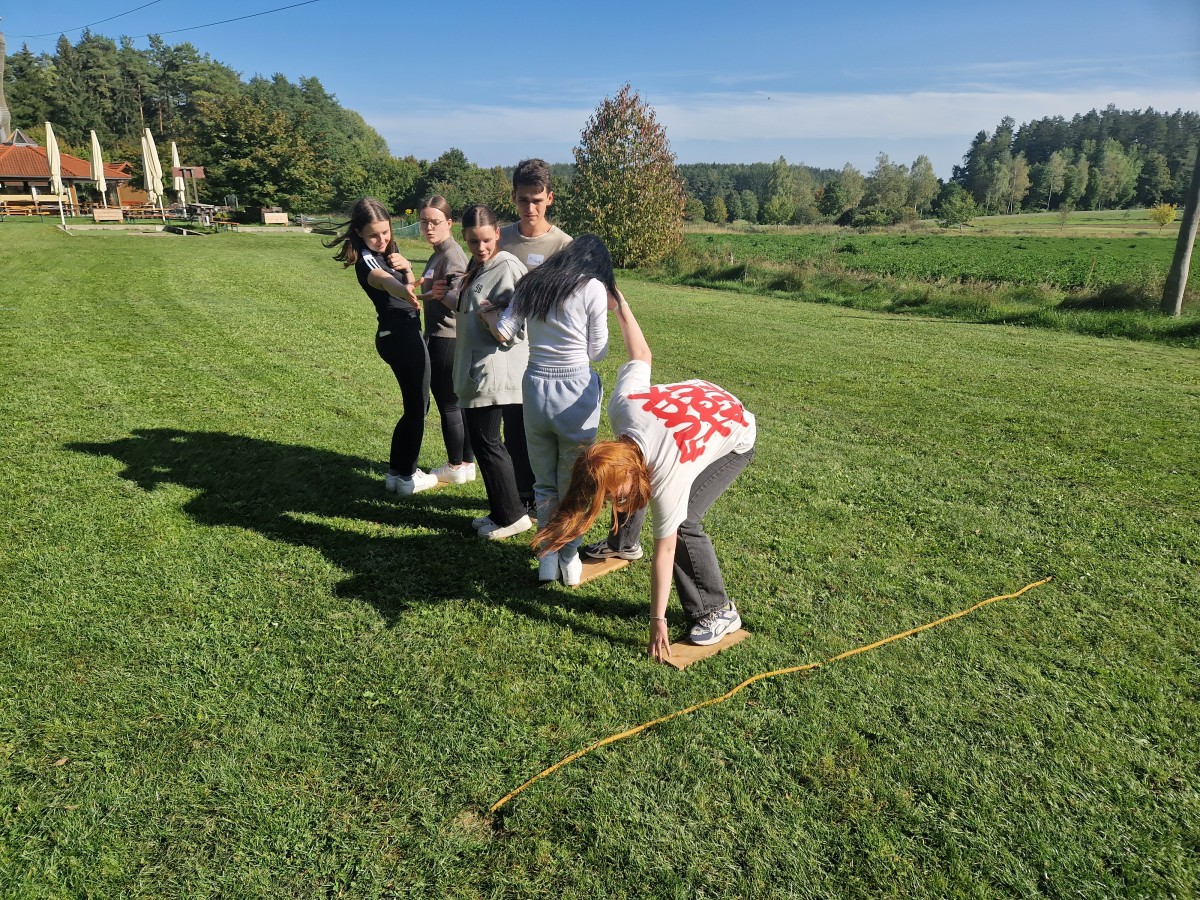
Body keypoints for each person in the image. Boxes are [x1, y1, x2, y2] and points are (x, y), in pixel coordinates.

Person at [536, 296, 757, 659]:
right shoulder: (623, 408)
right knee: (633, 480)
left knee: (685, 522)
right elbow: (642, 354)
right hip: (699, 400)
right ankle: (623, 544)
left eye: (611, 497)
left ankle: (717, 610)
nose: (611, 502)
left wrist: (657, 619)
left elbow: (665, 550)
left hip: (735, 432)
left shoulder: (668, 472)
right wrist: (620, 305)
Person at [490, 235, 613, 585]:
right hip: (575, 391)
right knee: (574, 483)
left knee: (544, 483)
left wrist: (486, 310)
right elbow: (598, 351)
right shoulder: (591, 287)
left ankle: (547, 556)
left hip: (534, 387)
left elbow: (504, 330)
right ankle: (570, 557)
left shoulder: (533, 281)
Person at [326, 198, 436, 495]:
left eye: (386, 232)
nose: (382, 239)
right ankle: (407, 477)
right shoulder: (367, 260)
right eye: (374, 234)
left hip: (399, 334)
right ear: (360, 232)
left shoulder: (389, 250)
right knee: (418, 408)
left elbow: (403, 278)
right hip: (400, 337)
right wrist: (408, 290)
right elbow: (387, 283)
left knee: (414, 407)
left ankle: (395, 473)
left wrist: (409, 270)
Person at [452, 203, 535, 540]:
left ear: (498, 233)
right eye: (473, 241)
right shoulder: (479, 266)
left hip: (493, 372)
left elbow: (518, 325)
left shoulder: (508, 267)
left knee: (488, 442)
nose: (481, 247)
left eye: (486, 240)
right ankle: (502, 510)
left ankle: (513, 516)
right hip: (476, 369)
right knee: (485, 442)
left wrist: (489, 317)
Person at [413, 196, 475, 485]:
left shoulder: (452, 256)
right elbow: (437, 292)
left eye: (435, 222)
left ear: (449, 223)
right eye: (424, 221)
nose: (428, 227)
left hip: (446, 337)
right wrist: (416, 293)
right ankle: (465, 463)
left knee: (449, 405)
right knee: (456, 404)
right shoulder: (439, 252)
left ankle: (455, 466)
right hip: (439, 336)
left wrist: (433, 295)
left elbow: (461, 301)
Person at [499, 158, 572, 270]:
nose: (530, 209)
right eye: (523, 200)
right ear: (513, 197)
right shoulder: (498, 239)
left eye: (537, 201)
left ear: (550, 198)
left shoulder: (563, 245)